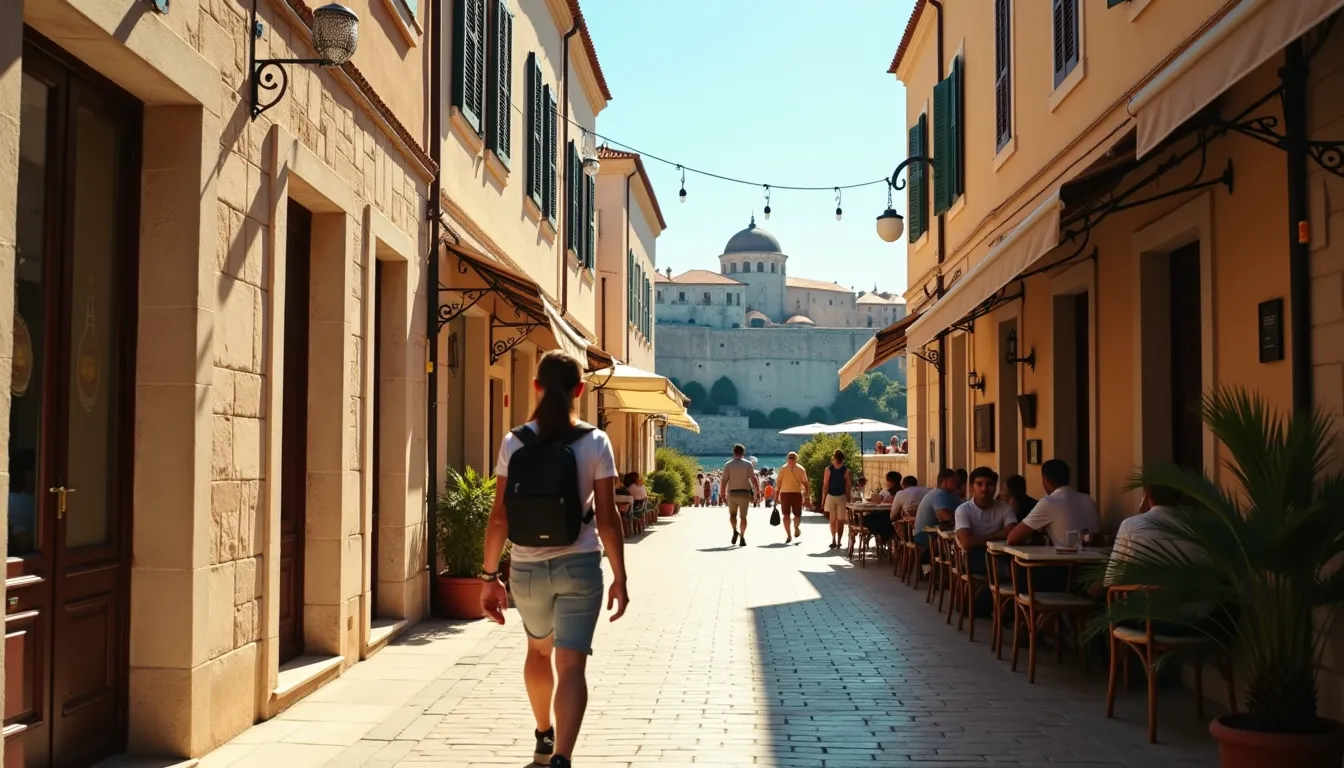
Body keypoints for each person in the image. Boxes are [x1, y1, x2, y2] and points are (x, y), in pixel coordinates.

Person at [479, 351, 630, 768]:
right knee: (572, 665)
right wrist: (620, 576)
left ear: (536, 387)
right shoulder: (595, 441)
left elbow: (498, 518)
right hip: (580, 565)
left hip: (526, 568)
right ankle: (563, 757)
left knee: (538, 653)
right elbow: (607, 516)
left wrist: (490, 576)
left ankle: (543, 737)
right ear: (580, 390)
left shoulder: (514, 441)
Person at [1006, 459, 1100, 547]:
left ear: (1046, 480)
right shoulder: (1088, 499)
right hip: (1096, 561)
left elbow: (1012, 538)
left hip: (1067, 561)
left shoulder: (1049, 502)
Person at [954, 466, 1018, 576]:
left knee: (1020, 568)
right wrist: (1000, 535)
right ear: (971, 488)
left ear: (995, 487)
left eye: (989, 484)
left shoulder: (1005, 508)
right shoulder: (963, 510)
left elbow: (1012, 533)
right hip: (973, 556)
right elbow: (967, 543)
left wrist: (978, 539)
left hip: (1002, 554)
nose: (984, 489)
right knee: (1012, 571)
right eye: (979, 484)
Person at [723, 444, 761, 546]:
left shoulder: (728, 464)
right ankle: (743, 537)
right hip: (744, 493)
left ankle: (735, 530)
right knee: (743, 517)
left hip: (732, 493)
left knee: (732, 515)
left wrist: (722, 493)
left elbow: (724, 481)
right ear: (743, 453)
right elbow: (753, 479)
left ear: (733, 452)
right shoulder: (748, 464)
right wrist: (758, 492)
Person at [912, 469, 960, 549]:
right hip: (927, 535)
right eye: (953, 481)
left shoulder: (952, 495)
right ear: (944, 482)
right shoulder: (939, 494)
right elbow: (944, 516)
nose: (956, 484)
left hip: (937, 535)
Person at [776, 452, 809, 544]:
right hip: (790, 494)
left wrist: (807, 496)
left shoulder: (784, 468)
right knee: (789, 515)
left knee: (792, 515)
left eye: (791, 458)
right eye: (790, 457)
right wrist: (807, 496)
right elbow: (806, 484)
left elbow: (778, 483)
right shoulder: (799, 469)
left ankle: (792, 531)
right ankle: (790, 533)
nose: (791, 459)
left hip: (790, 494)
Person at [822, 450, 853, 549]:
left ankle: (835, 540)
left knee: (834, 520)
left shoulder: (834, 470)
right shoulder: (832, 469)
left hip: (835, 496)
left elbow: (825, 486)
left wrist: (823, 500)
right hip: (839, 497)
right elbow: (848, 487)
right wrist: (849, 499)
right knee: (839, 521)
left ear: (834, 458)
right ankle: (836, 540)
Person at [863, 471, 902, 540]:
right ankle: (885, 536)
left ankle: (883, 535)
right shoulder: (903, 491)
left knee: (866, 519)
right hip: (900, 518)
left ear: (889, 481)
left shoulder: (886, 492)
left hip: (889, 517)